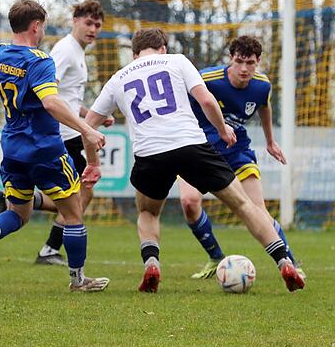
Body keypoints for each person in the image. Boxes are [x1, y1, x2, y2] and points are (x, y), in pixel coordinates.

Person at [82, 28, 305, 294]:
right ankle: (283, 262)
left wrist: (93, 163)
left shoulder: (118, 78)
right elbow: (206, 100)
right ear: (163, 48)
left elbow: (88, 126)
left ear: (134, 54)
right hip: (191, 146)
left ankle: (152, 263)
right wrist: (222, 130)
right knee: (245, 205)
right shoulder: (177, 60)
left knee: (148, 212)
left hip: (150, 154)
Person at [0, 0, 110, 292]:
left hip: (13, 149)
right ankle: (78, 280)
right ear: (36, 26)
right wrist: (87, 130)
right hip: (45, 149)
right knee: (73, 214)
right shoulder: (40, 61)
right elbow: (51, 102)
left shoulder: (0, 55)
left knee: (19, 213)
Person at [180, 35, 302, 280]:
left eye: (251, 63)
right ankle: (215, 256)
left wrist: (270, 141)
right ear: (230, 59)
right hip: (199, 148)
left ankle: (289, 262)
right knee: (189, 203)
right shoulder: (208, 79)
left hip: (237, 150)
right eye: (239, 62)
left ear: (258, 62)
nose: (244, 68)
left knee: (259, 210)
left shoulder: (261, 85)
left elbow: (265, 107)